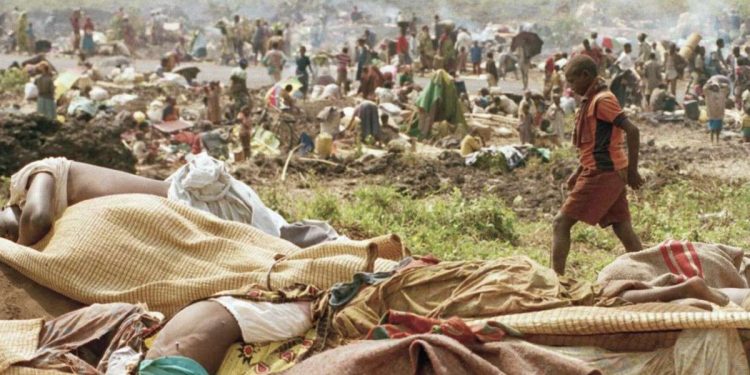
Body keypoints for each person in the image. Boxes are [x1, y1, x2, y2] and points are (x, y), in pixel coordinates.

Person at [551, 55, 644, 275]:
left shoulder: (602, 100)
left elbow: (633, 130)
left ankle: (557, 281)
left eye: (572, 81)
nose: (570, 87)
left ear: (585, 76)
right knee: (622, 228)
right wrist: (578, 171)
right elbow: (595, 143)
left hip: (602, 173)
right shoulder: (590, 100)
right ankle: (649, 272)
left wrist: (633, 171)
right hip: (607, 171)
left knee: (561, 223)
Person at [703, 79, 728, 144]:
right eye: (714, 86)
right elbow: (704, 88)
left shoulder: (722, 93)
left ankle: (717, 141)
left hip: (719, 114)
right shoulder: (709, 93)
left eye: (716, 86)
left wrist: (720, 84)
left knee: (718, 130)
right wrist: (709, 84)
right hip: (711, 114)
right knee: (712, 129)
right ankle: (711, 142)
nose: (715, 88)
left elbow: (727, 86)